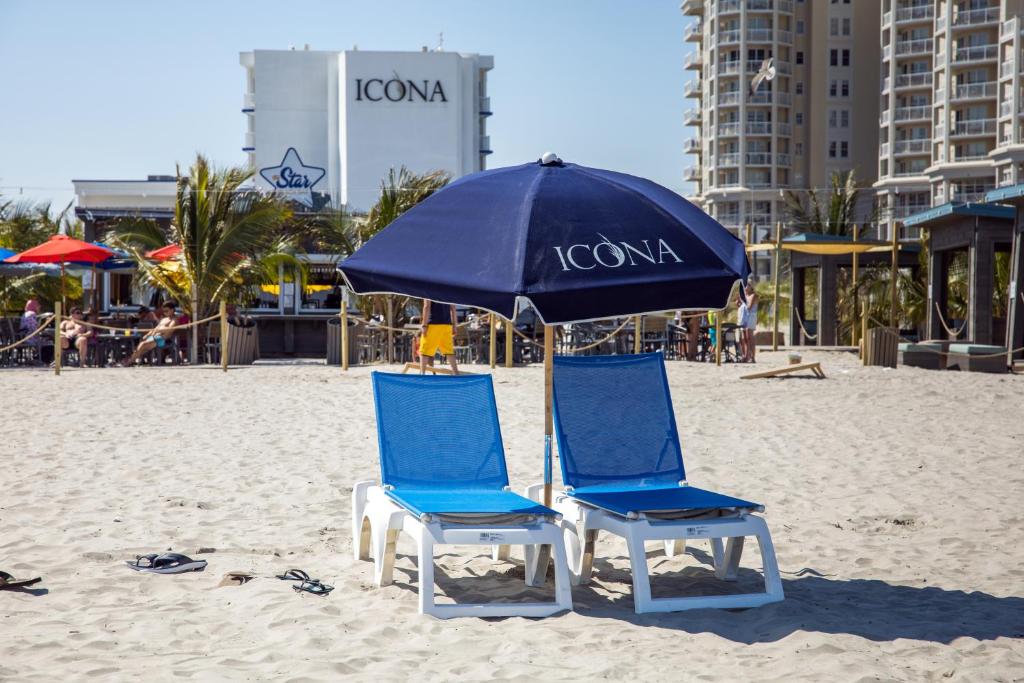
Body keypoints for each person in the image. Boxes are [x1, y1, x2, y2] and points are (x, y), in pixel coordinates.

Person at [121, 301, 179, 366]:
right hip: (155, 337)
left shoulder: (174, 320)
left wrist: (158, 331)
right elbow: (155, 329)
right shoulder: (164, 319)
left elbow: (169, 330)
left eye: (167, 311)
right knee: (141, 345)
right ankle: (131, 360)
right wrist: (147, 335)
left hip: (163, 339)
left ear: (172, 310)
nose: (165, 313)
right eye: (164, 311)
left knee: (143, 345)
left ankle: (130, 361)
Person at [418, 298, 459, 375]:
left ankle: (422, 373)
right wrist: (454, 326)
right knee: (449, 351)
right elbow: (453, 308)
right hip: (447, 324)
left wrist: (424, 325)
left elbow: (426, 306)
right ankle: (456, 373)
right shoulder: (448, 290)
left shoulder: (428, 289)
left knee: (425, 350)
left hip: (433, 324)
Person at [738, 280, 759, 363]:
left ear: (751, 286)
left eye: (747, 285)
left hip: (750, 317)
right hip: (743, 318)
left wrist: (742, 301)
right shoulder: (744, 296)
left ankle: (753, 357)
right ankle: (745, 356)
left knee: (749, 337)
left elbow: (749, 306)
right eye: (744, 286)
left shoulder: (753, 296)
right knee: (743, 339)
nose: (745, 287)